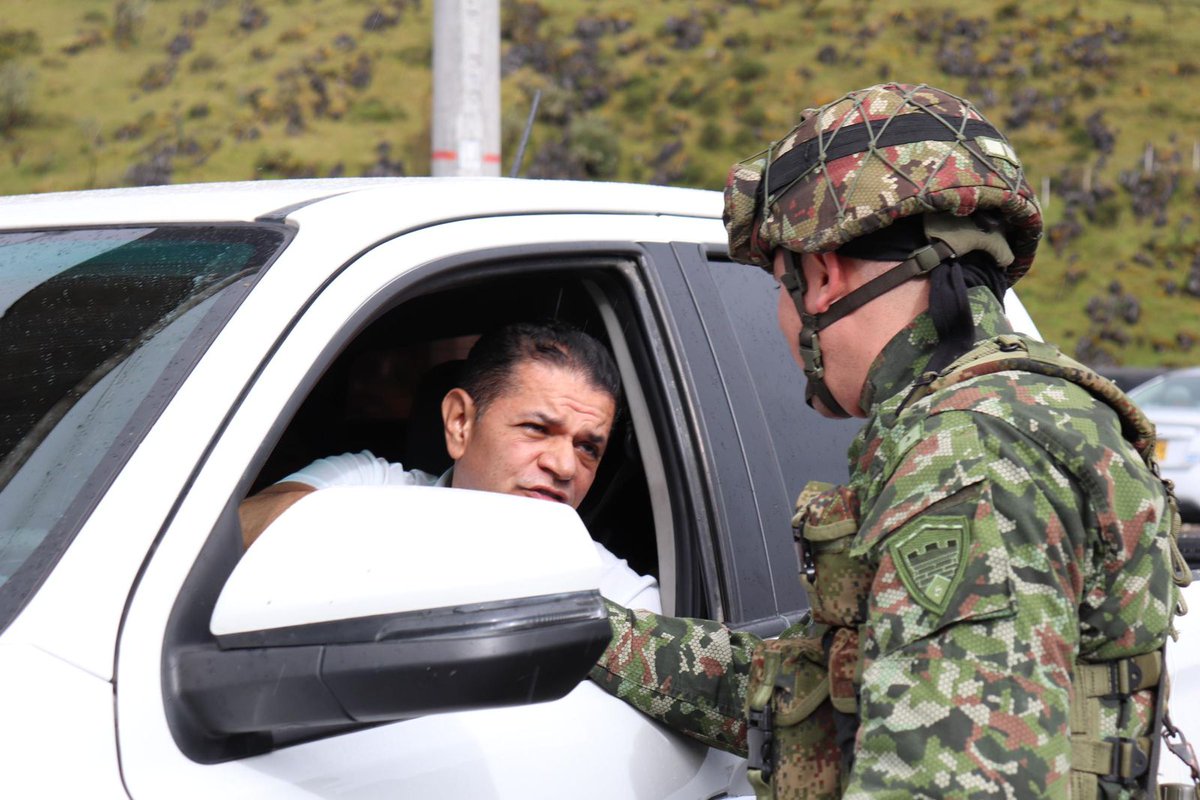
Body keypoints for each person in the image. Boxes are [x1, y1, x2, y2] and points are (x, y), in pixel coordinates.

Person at [589, 83, 1191, 798]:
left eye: (780, 291)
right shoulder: (1028, 410)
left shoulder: (971, 457)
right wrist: (597, 636)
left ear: (819, 277)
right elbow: (818, 684)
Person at [239, 319, 661, 612]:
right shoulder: (368, 483)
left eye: (588, 447)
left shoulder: (618, 594)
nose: (565, 465)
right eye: (536, 428)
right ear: (460, 423)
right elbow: (230, 534)